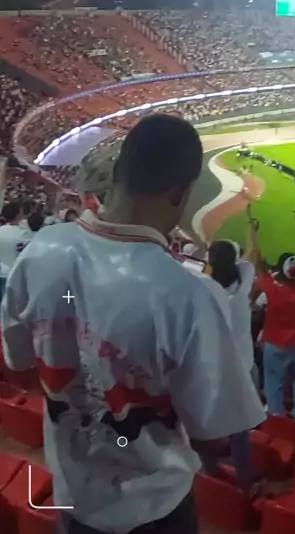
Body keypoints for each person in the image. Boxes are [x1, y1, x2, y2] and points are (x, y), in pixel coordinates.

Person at [1, 114, 264, 534]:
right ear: (181, 193)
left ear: (118, 172)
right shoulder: (191, 295)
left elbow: (19, 364)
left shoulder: (41, 249)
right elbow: (212, 430)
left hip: (72, 491)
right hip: (153, 506)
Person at [202, 214, 259, 492]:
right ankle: (245, 480)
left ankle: (209, 467)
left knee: (208, 420)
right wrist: (252, 231)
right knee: (241, 427)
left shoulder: (206, 289)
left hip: (213, 367)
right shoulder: (244, 282)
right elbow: (251, 257)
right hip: (242, 366)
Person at [254, 211, 295, 433]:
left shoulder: (273, 290)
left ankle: (277, 418)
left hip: (275, 344)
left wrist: (254, 234)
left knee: (274, 383)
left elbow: (258, 263)